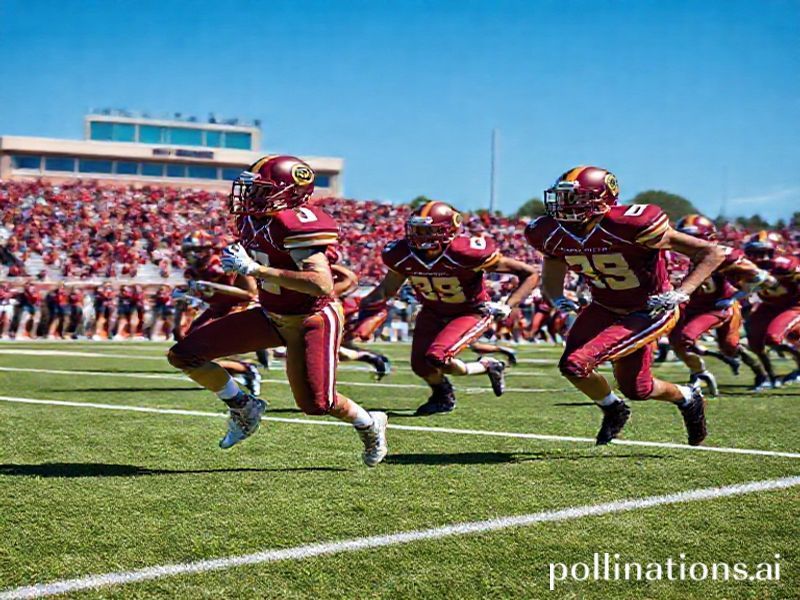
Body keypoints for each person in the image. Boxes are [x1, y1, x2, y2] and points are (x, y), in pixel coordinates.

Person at [167, 155, 388, 466]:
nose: (250, 195)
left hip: (312, 319)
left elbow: (321, 284)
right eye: (252, 188)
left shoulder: (294, 223)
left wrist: (256, 269)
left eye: (261, 189)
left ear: (289, 193)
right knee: (184, 355)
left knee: (317, 403)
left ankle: (369, 423)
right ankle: (243, 406)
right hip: (270, 314)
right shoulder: (249, 219)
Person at [525, 166, 726, 446]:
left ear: (603, 198)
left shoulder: (631, 224)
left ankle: (613, 409)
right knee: (636, 388)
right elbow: (553, 267)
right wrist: (557, 297)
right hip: (603, 306)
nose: (565, 205)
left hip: (649, 309)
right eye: (563, 198)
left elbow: (711, 252)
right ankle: (682, 397)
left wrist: (682, 292)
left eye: (575, 198)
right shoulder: (549, 232)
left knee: (576, 363)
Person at [358, 201, 539, 415]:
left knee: (438, 357)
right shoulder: (402, 254)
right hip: (432, 311)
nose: (420, 236)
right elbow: (387, 289)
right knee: (420, 365)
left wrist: (508, 305)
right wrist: (358, 309)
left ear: (449, 230)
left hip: (469, 311)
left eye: (428, 231)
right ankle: (443, 394)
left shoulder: (464, 253)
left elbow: (529, 274)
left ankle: (484, 366)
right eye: (417, 230)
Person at [669, 215, 772, 393]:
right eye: (683, 236)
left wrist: (735, 297)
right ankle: (698, 375)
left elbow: (761, 279)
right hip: (691, 307)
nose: (685, 241)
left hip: (718, 307)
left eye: (691, 237)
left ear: (708, 238)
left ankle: (760, 374)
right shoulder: (674, 257)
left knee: (729, 347)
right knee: (678, 342)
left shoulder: (722, 256)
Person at [172, 233, 262, 396]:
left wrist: (214, 287)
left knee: (196, 351)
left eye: (196, 249)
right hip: (217, 309)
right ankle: (239, 370)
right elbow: (191, 295)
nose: (191, 254)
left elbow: (249, 294)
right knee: (185, 348)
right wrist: (179, 315)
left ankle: (246, 369)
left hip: (239, 307)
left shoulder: (225, 263)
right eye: (189, 250)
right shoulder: (193, 271)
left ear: (208, 249)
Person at [742, 231, 800, 387]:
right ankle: (769, 376)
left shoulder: (787, 265)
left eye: (763, 252)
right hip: (769, 305)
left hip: (793, 305)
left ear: (777, 250)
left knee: (773, 337)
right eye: (753, 252)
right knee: (754, 341)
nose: (757, 258)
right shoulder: (746, 266)